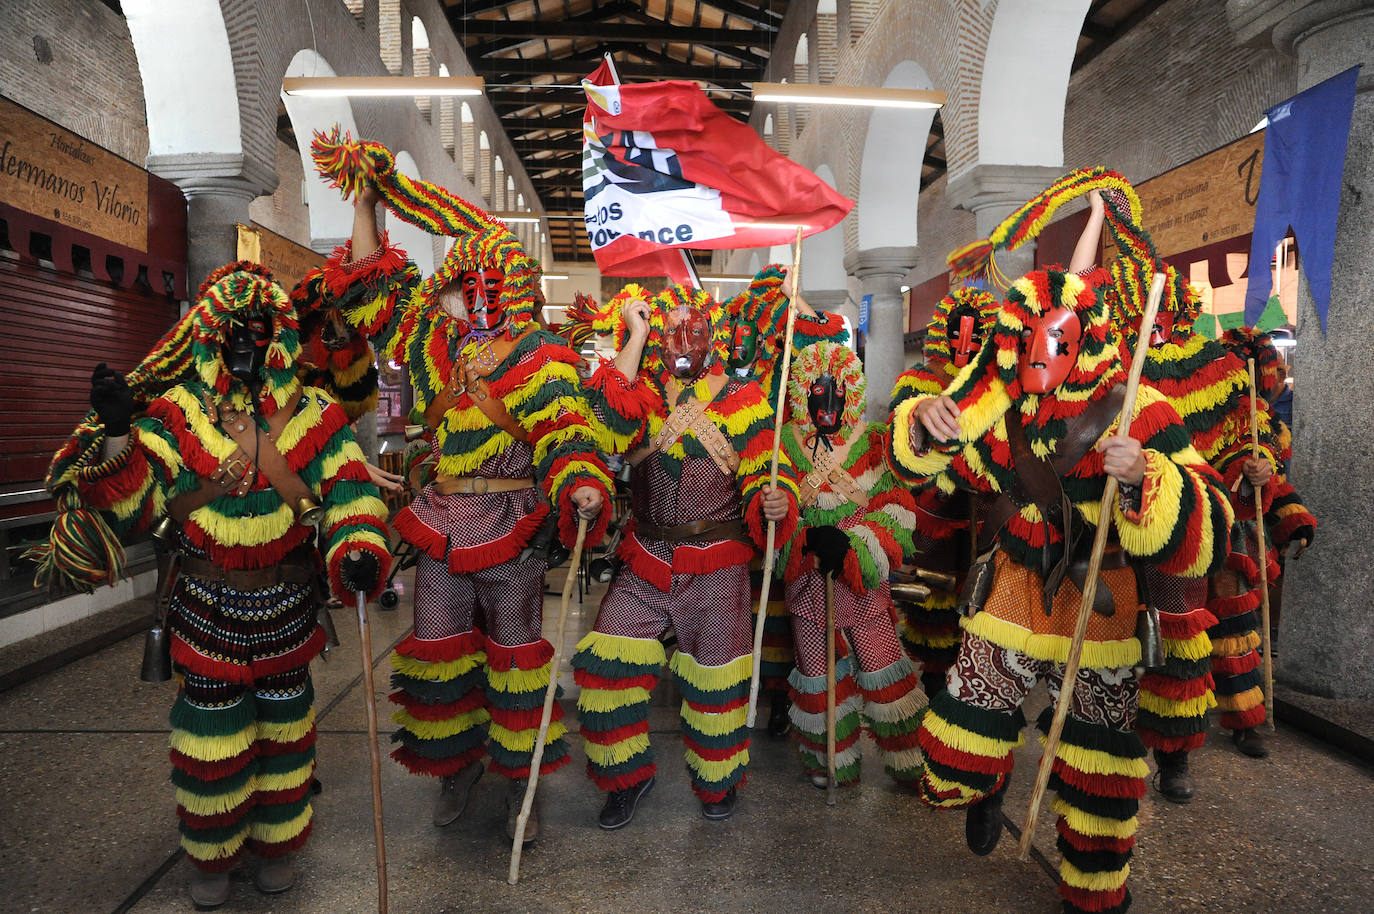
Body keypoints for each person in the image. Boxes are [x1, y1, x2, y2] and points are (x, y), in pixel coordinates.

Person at [890, 266, 1234, 914]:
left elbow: (1213, 517)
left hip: (1102, 594)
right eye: (1031, 341)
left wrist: (1146, 475)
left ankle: (1095, 880)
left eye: (1059, 340)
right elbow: (948, 467)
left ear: (1089, 340)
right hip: (1017, 576)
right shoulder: (1005, 407)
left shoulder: (1141, 405)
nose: (1042, 355)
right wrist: (925, 427)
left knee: (1100, 746)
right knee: (975, 698)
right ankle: (985, 784)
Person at [48, 262, 391, 907]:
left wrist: (358, 550)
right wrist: (121, 433)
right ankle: (211, 854)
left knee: (287, 732)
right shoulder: (176, 413)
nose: (243, 345)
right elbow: (138, 508)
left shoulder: (313, 410)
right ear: (205, 337)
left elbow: (349, 492)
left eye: (256, 332)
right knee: (210, 735)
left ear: (279, 337)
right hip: (205, 607)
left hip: (290, 606)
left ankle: (278, 844)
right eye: (230, 332)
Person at [312, 130, 611, 844]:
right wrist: (365, 194)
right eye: (460, 285)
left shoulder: (544, 354)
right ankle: (457, 768)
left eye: (482, 286)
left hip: (513, 527)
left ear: (510, 289)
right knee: (440, 651)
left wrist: (582, 484)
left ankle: (520, 785)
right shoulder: (429, 342)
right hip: (441, 521)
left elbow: (569, 431)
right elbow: (370, 286)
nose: (468, 297)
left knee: (515, 658)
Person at [568, 282, 798, 828]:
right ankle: (627, 776)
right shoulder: (644, 391)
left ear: (712, 337)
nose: (684, 341)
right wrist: (635, 336)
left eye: (694, 332)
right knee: (607, 665)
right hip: (646, 553)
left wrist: (775, 497)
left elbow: (773, 464)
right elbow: (603, 418)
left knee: (717, 678)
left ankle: (717, 782)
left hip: (717, 558)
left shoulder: (744, 399)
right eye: (673, 332)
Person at [778, 340, 925, 787]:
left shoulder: (874, 441)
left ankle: (909, 760)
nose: (827, 401)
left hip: (861, 582)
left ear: (852, 393)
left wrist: (855, 550)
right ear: (804, 393)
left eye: (836, 391)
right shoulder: (784, 443)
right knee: (817, 673)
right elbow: (772, 501)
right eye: (817, 392)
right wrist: (800, 540)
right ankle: (830, 760)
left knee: (883, 664)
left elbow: (897, 506)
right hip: (808, 582)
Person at [722, 265, 850, 737]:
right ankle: (733, 681)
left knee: (782, 585)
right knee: (741, 588)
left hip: (786, 458)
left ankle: (779, 691)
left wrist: (798, 301)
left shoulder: (793, 334)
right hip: (732, 460)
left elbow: (831, 350)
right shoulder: (732, 324)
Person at [887, 286, 999, 698]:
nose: (964, 343)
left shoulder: (998, 382)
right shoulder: (919, 379)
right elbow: (902, 423)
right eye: (957, 333)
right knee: (931, 601)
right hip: (934, 510)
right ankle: (934, 681)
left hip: (987, 512)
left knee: (983, 600)